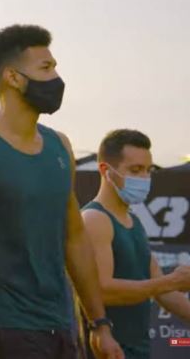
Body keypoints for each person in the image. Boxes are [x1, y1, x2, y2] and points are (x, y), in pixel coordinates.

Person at [0, 24, 123, 359]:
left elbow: (75, 238)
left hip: (61, 325)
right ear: (13, 77)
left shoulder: (60, 146)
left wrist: (100, 324)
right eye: (46, 68)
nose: (56, 79)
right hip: (3, 328)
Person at [82, 129, 190, 359]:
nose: (144, 178)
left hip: (137, 349)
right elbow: (101, 291)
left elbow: (163, 290)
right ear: (105, 170)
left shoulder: (134, 221)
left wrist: (170, 283)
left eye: (148, 170)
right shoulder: (95, 219)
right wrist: (171, 281)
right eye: (135, 170)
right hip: (107, 350)